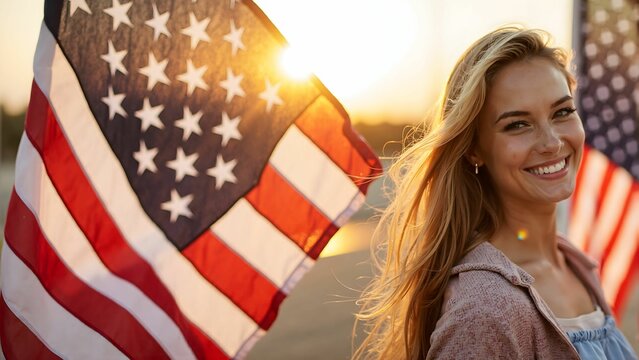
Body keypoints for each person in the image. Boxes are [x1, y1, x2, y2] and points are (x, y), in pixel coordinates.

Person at [354, 27, 638, 359]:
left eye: (562, 112)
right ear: (475, 149)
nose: (552, 142)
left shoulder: (574, 264)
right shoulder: (483, 310)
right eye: (518, 124)